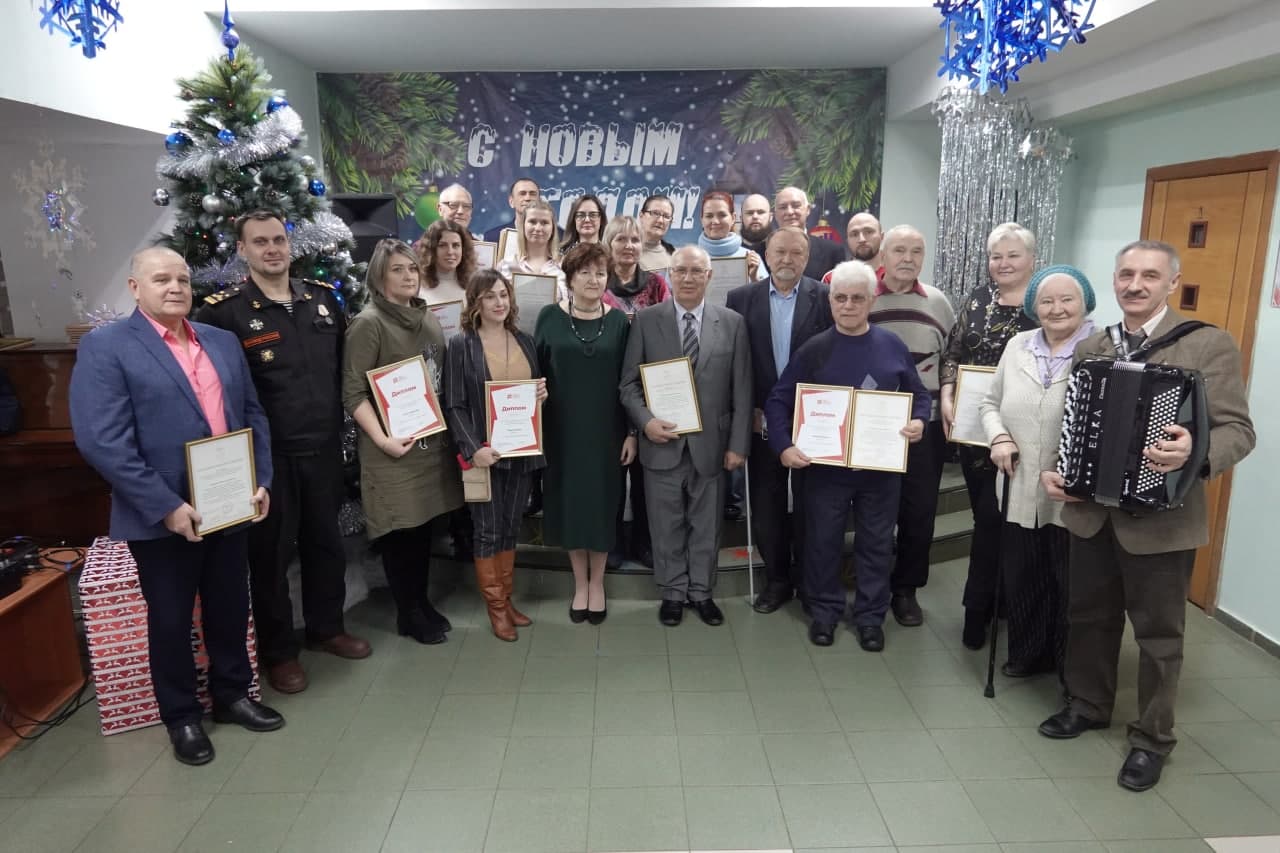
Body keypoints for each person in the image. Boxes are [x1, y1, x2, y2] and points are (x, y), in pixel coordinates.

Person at [1038, 241, 1254, 792]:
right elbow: (1076, 424)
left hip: (1164, 520)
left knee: (1160, 635)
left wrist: (1195, 453)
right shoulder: (1093, 344)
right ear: (1114, 281)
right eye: (1127, 274)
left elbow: (1237, 430)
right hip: (1090, 512)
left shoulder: (1207, 344)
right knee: (1089, 617)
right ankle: (1088, 703)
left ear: (1171, 282)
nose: (1135, 284)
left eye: (1149, 275)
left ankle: (1152, 739)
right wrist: (1060, 469)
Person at [70, 247, 281, 766]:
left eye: (183, 279)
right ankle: (182, 716)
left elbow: (252, 414)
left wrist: (261, 480)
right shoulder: (108, 348)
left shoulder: (223, 341)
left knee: (230, 606)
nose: (175, 287)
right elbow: (102, 441)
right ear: (135, 287)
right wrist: (164, 505)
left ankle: (232, 695)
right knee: (169, 620)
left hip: (230, 504)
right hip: (163, 517)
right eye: (161, 279)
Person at [196, 211, 369, 696]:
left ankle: (326, 628)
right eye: (260, 242)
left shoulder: (321, 301)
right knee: (270, 557)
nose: (272, 249)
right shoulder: (222, 314)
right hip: (266, 460)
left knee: (325, 543)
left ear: (290, 246)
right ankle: (279, 653)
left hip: (324, 448)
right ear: (242, 251)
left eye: (278, 240)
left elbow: (344, 371)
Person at [765, 261, 930, 652]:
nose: (849, 305)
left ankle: (871, 617)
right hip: (826, 472)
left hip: (879, 470)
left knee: (876, 543)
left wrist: (919, 422)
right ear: (831, 301)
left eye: (858, 298)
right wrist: (784, 446)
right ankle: (824, 612)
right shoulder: (814, 349)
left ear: (872, 299)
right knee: (823, 541)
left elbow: (919, 397)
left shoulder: (891, 345)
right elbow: (778, 399)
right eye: (840, 297)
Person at [619, 246, 751, 627]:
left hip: (712, 447)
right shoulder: (646, 320)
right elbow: (628, 385)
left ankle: (702, 592)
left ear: (709, 276)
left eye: (697, 271)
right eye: (681, 271)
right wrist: (645, 422)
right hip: (662, 444)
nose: (689, 278)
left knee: (706, 526)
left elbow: (742, 390)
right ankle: (673, 592)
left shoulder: (732, 323)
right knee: (666, 524)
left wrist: (738, 446)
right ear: (670, 276)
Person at [978, 265, 1096, 681]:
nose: (1057, 308)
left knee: (1069, 583)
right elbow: (989, 404)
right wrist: (998, 439)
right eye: (1046, 301)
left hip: (1074, 492)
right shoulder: (1017, 345)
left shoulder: (1102, 349)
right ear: (1033, 307)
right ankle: (1028, 653)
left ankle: (1069, 667)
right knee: (1023, 575)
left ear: (1085, 304)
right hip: (1018, 480)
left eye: (1068, 300)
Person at [343, 240, 463, 645]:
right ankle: (408, 612)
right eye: (397, 270)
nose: (408, 276)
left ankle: (420, 602)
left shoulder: (424, 316)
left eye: (411, 268)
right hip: (392, 450)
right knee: (400, 531)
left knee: (424, 528)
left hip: (431, 446)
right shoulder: (369, 323)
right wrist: (382, 438)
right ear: (379, 276)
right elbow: (353, 393)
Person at [939, 221, 1040, 650]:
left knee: (1009, 525)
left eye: (1013, 255)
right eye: (996, 256)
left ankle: (994, 609)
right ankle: (984, 605)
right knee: (987, 520)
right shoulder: (979, 299)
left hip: (1027, 435)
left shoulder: (1044, 303)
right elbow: (953, 352)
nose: (1003, 263)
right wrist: (946, 394)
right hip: (975, 432)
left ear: (1031, 260)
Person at [726, 226, 832, 614]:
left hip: (813, 421)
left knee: (811, 503)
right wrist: (745, 411)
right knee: (766, 505)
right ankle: (777, 580)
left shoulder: (824, 298)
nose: (787, 260)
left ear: (807, 258)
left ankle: (807, 579)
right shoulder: (740, 299)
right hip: (760, 420)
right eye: (779, 252)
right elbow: (736, 364)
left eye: (796, 253)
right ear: (766, 255)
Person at [444, 269, 549, 641]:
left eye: (503, 294)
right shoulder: (461, 344)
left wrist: (540, 394)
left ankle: (507, 599)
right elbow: (453, 404)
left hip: (522, 453)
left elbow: (533, 391)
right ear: (475, 302)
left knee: (509, 528)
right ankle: (496, 609)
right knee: (487, 531)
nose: (499, 302)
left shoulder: (524, 340)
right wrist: (474, 449)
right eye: (490, 296)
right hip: (485, 457)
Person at [536, 243, 633, 624]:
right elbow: (535, 372)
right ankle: (581, 583)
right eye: (586, 273)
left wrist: (632, 434)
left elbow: (630, 384)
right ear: (570, 278)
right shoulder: (548, 317)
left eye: (600, 273)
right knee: (571, 506)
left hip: (608, 434)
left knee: (603, 505)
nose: (594, 280)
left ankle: (599, 583)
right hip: (561, 431)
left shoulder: (620, 322)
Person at [869, 226, 956, 627]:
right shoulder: (863, 296)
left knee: (919, 511)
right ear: (882, 255)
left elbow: (950, 360)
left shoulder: (938, 302)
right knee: (873, 510)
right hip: (872, 428)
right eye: (899, 250)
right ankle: (872, 584)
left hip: (927, 428)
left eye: (916, 251)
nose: (907, 258)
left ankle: (906, 590)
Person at [601, 215, 670, 569]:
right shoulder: (598, 284)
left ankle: (644, 541)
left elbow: (669, 326)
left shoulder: (657, 284)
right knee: (613, 472)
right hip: (607, 388)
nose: (628, 246)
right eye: (620, 240)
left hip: (648, 391)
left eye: (634, 240)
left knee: (646, 477)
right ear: (608, 245)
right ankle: (611, 542)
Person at [499, 197, 566, 301]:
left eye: (544, 223)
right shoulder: (506, 265)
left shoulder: (564, 267)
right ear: (523, 226)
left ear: (553, 228)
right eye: (532, 222)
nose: (538, 228)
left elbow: (571, 307)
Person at [773, 186, 845, 281]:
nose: (790, 212)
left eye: (796, 206)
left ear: (808, 209)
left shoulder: (832, 252)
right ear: (775, 214)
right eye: (783, 207)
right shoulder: (760, 251)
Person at [697, 190, 763, 281]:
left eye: (722, 215)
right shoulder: (689, 258)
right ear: (701, 220)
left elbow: (768, 294)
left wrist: (754, 278)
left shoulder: (752, 259)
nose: (715, 221)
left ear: (733, 218)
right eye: (709, 216)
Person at [418, 219, 476, 306]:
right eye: (442, 245)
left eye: (456, 245)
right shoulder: (417, 288)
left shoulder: (474, 285)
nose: (450, 252)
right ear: (431, 249)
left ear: (463, 249)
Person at [484, 176, 540, 243]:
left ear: (539, 201)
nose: (527, 198)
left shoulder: (554, 234)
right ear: (511, 202)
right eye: (522, 194)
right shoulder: (493, 237)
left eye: (532, 194)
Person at [638, 194, 676, 273]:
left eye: (666, 216)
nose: (660, 221)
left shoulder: (675, 256)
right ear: (641, 216)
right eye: (655, 213)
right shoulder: (626, 252)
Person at [739, 192, 774, 262]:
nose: (755, 216)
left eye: (761, 212)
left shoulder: (781, 249)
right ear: (741, 218)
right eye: (750, 213)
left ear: (770, 217)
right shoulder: (733, 250)